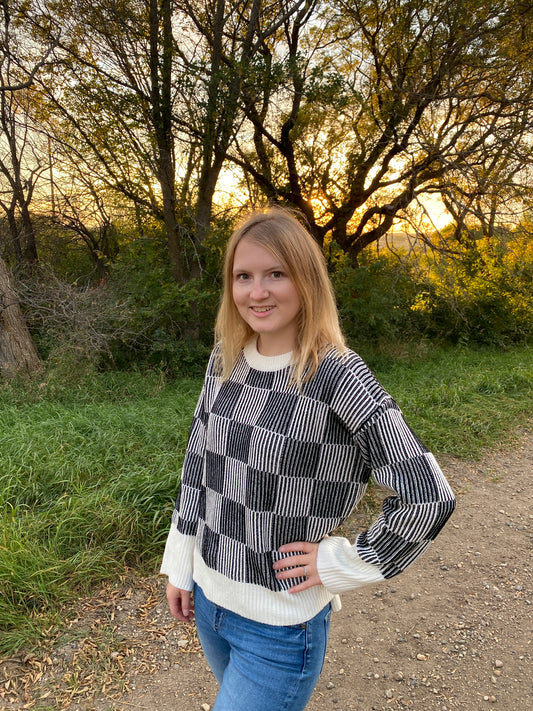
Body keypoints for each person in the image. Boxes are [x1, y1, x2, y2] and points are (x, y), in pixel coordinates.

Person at [160, 206, 456, 711]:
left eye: (276, 274)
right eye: (244, 276)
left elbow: (429, 496)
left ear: (306, 279)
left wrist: (340, 562)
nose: (258, 292)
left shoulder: (337, 374)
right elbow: (199, 466)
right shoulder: (225, 356)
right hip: (210, 605)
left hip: (278, 630)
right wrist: (181, 562)